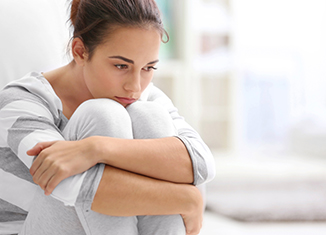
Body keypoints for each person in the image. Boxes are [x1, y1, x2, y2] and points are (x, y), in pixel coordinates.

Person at [0, 0, 216, 234]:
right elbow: (76, 189)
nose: (134, 86)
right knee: (102, 114)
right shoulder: (22, 101)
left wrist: (95, 148)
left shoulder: (144, 97)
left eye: (148, 68)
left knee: (149, 115)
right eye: (121, 66)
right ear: (80, 51)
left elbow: (200, 163)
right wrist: (186, 199)